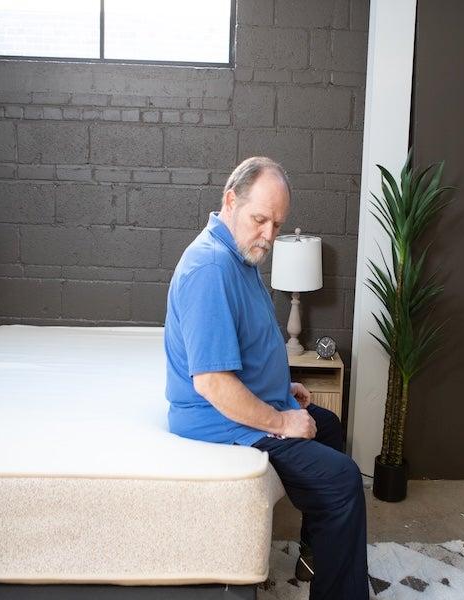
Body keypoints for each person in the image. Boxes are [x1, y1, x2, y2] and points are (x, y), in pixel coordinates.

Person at [164, 156, 368, 599]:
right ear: (230, 200)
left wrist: (280, 389)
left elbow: (248, 346)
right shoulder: (211, 268)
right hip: (222, 424)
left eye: (277, 224)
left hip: (244, 407)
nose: (269, 235)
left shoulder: (240, 256)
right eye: (261, 219)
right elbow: (213, 383)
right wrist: (281, 420)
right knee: (343, 480)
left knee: (328, 427)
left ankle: (316, 558)